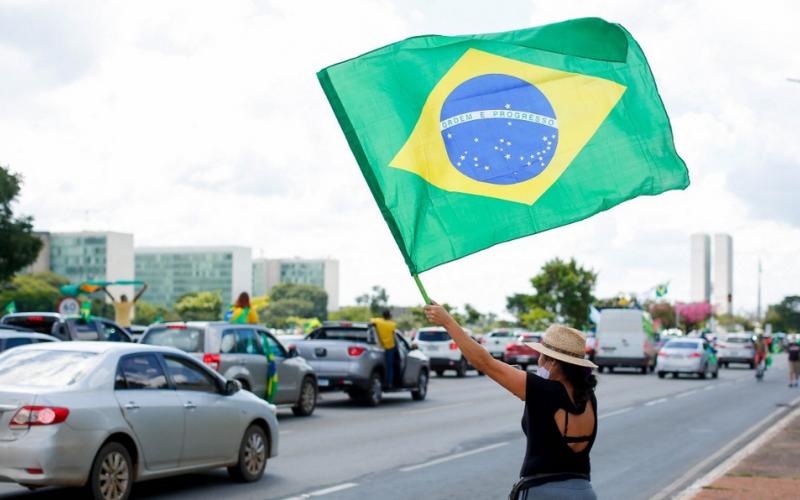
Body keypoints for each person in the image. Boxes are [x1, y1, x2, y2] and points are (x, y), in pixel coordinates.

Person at [424, 302, 598, 500]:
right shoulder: (588, 396)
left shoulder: (542, 390)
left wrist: (447, 322)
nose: (538, 361)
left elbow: (485, 362)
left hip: (544, 493)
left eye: (541, 355)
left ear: (554, 362)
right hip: (585, 493)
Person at [372, 309, 397, 388]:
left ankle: (381, 381)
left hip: (380, 347)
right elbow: (394, 335)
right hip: (390, 347)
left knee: (382, 366)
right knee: (389, 366)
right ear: (389, 316)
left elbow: (371, 321)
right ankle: (389, 383)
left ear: (382, 316)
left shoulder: (378, 322)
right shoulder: (392, 324)